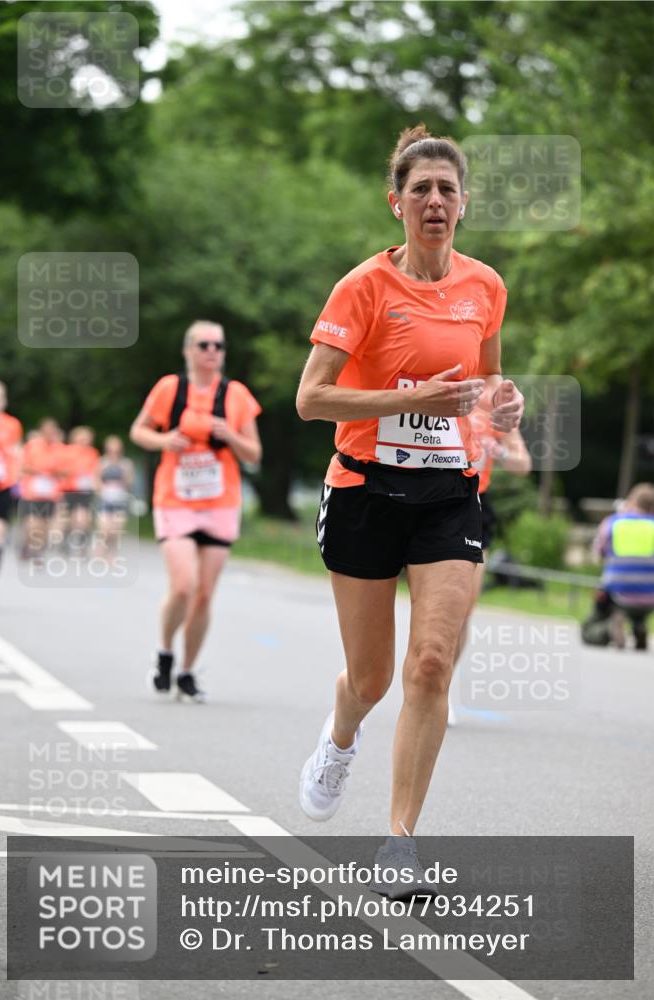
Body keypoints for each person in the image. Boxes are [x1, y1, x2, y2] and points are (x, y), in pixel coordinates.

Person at [296, 126, 524, 886]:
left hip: (445, 495)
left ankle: (399, 841)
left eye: (447, 190)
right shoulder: (361, 287)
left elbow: (486, 382)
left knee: (430, 664)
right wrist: (416, 395)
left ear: (464, 205)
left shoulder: (484, 287)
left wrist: (502, 403)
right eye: (420, 189)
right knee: (372, 680)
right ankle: (339, 736)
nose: (434, 201)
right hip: (364, 489)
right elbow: (310, 399)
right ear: (395, 203)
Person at [130, 320, 262, 701]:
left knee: (204, 594)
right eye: (204, 345)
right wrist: (164, 439)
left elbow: (254, 453)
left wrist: (230, 435)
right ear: (188, 350)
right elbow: (138, 431)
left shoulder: (236, 395)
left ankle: (187, 671)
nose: (212, 352)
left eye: (218, 346)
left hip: (220, 502)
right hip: (175, 499)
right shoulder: (169, 389)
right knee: (184, 585)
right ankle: (165, 650)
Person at [447, 401, 531, 725]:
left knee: (463, 609)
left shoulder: (496, 406)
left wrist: (500, 451)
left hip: (475, 503)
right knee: (434, 605)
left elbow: (523, 464)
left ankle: (442, 686)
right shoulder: (443, 389)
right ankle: (423, 680)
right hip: (432, 497)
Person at [583, 483, 654, 651]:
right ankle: (639, 626)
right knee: (643, 591)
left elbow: (598, 554)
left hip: (618, 593)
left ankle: (606, 628)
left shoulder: (614, 523)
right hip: (650, 596)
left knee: (602, 597)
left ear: (632, 501)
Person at [0, 380, 23, 605]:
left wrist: (17, 480)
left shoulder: (12, 424)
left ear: (4, 400)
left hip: (1, 487)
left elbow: (17, 453)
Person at [18, 418, 66, 563]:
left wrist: (53, 473)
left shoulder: (61, 448)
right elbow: (22, 466)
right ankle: (28, 545)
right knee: (32, 523)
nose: (49, 432)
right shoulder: (32, 446)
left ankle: (37, 551)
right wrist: (39, 471)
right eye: (46, 429)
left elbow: (66, 471)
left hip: (51, 494)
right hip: (32, 492)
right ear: (41, 430)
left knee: (45, 525)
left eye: (52, 430)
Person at [61, 426, 100, 555]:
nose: (84, 440)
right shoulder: (67, 451)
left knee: (84, 518)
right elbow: (61, 470)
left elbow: (95, 471)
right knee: (71, 518)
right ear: (75, 438)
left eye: (87, 438)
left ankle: (82, 544)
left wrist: (96, 485)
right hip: (70, 489)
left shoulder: (93, 453)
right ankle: (67, 539)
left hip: (86, 490)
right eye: (81, 437)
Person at [95, 435, 134, 559]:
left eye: (116, 448)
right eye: (111, 448)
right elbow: (96, 480)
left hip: (120, 499)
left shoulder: (126, 463)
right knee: (105, 529)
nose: (114, 451)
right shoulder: (102, 462)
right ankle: (102, 548)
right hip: (105, 499)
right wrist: (101, 491)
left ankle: (112, 553)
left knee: (117, 529)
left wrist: (125, 476)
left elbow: (130, 482)